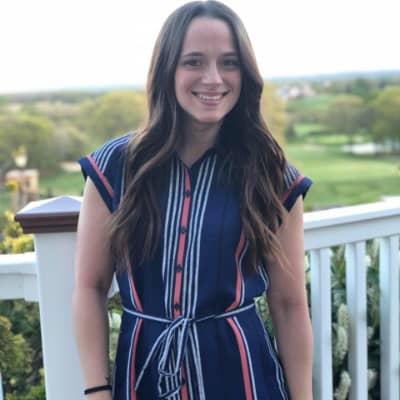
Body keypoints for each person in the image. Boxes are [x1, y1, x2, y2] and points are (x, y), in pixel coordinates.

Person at [72, 1, 313, 399]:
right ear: (167, 69)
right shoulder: (114, 167)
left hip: (244, 379)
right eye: (194, 62)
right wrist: (97, 390)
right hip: (144, 377)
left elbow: (289, 306)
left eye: (229, 62)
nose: (213, 78)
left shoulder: (272, 175)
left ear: (246, 73)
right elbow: (89, 286)